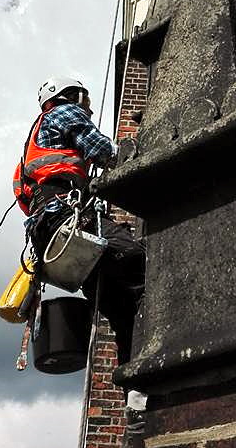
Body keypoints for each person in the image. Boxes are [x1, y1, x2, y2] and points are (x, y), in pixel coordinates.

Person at [13, 75, 145, 363]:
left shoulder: (31, 146)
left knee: (117, 302)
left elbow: (25, 198)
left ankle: (132, 383)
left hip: (47, 231)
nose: (91, 110)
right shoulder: (64, 111)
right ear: (72, 95)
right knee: (136, 256)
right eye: (87, 101)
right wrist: (138, 152)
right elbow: (102, 150)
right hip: (67, 217)